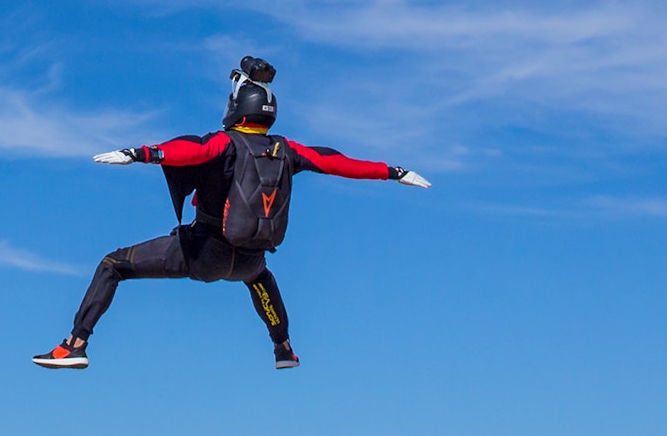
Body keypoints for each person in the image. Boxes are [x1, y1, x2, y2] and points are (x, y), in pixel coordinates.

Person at [32, 56, 432, 371]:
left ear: (237, 108)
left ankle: (75, 345)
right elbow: (337, 162)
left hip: (203, 254)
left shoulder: (225, 143)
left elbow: (190, 150)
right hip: (249, 260)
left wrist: (141, 153)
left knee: (113, 265)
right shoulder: (287, 150)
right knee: (261, 278)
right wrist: (393, 172)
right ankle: (283, 347)